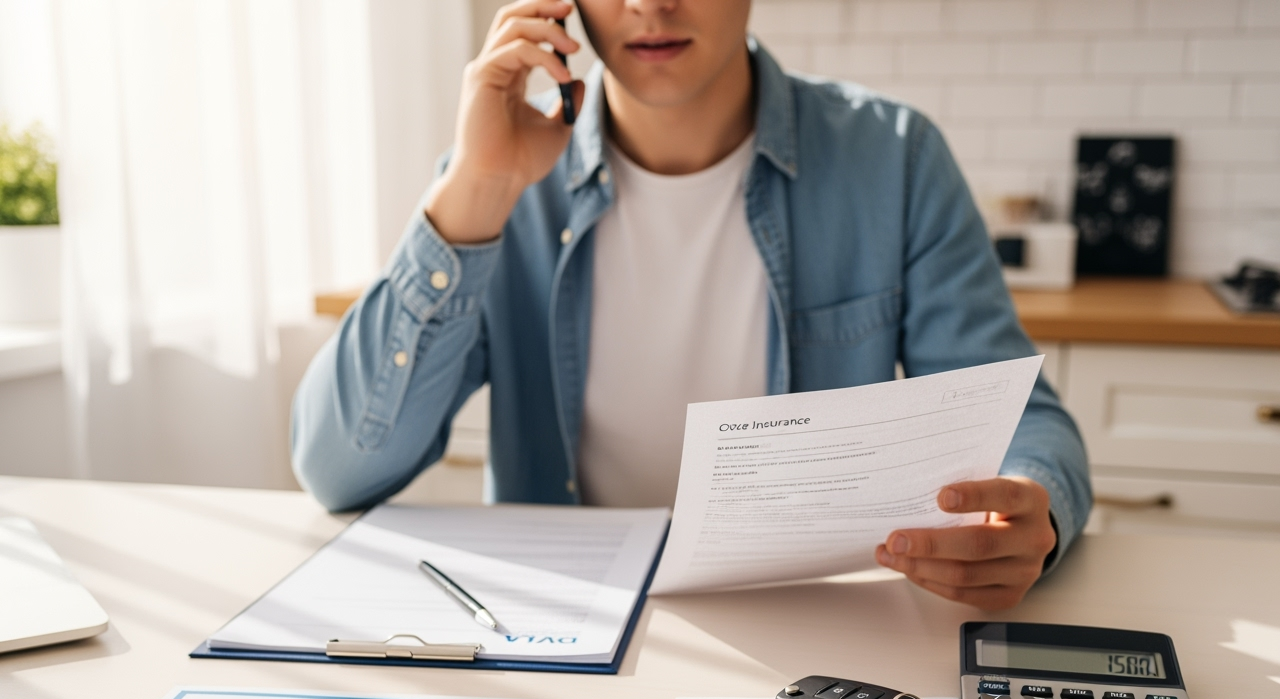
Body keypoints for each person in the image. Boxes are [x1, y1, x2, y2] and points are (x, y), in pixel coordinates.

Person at [291, 0, 1091, 610]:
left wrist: (1032, 510)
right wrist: (475, 190)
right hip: (570, 629)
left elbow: (1022, 415)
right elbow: (336, 469)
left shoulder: (893, 159)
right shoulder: (498, 182)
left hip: (812, 633)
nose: (652, 1)